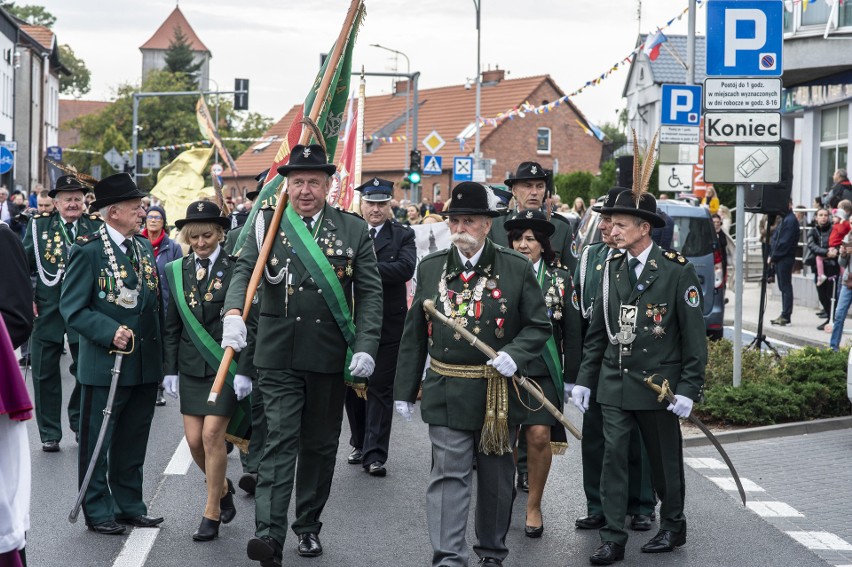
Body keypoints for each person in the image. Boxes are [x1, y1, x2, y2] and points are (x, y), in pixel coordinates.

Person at [222, 144, 382, 566]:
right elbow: (243, 270)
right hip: (277, 355)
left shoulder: (352, 230)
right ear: (286, 185)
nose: (305, 189)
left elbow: (369, 294)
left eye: (313, 182)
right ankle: (268, 534)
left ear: (328, 186)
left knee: (319, 445)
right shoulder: (267, 223)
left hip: (328, 355)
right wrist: (234, 312)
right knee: (278, 441)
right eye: (298, 182)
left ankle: (308, 526)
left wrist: (365, 345)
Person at [394, 181, 551, 567]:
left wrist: (515, 354)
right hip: (447, 387)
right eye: (456, 220)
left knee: (497, 480)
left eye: (470, 220)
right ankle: (448, 557)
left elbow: (538, 325)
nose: (461, 227)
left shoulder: (514, 268)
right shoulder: (431, 268)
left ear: (486, 224)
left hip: (496, 394)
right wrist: (403, 388)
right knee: (448, 475)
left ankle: (492, 552)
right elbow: (414, 334)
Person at [572, 185, 706, 565]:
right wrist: (585, 378)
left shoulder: (676, 272)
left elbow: (695, 341)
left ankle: (673, 525)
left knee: (664, 461)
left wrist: (689, 389)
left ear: (643, 228)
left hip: (657, 386)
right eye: (611, 224)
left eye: (619, 224)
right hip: (615, 383)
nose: (611, 231)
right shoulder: (610, 268)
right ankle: (613, 537)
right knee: (613, 458)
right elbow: (598, 332)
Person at [60, 172, 165, 535]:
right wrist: (109, 331)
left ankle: (128, 505)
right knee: (97, 440)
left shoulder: (143, 247)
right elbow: (72, 308)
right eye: (136, 207)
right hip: (107, 364)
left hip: (143, 364)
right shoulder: (88, 249)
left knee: (133, 440)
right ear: (114, 211)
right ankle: (97, 509)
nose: (143, 212)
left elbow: (155, 305)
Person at [162, 201, 253, 541]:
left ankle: (211, 509)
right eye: (194, 236)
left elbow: (248, 321)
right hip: (190, 366)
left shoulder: (236, 268)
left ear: (220, 234)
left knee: (213, 436)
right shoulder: (175, 269)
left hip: (224, 365)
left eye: (207, 235)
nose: (201, 242)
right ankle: (224, 489)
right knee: (193, 441)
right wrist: (169, 369)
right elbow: (171, 326)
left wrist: (244, 369)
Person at [574, 188, 657, 534]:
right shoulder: (591, 256)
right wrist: (576, 372)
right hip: (599, 360)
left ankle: (640, 504)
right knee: (594, 436)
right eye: (604, 219)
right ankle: (598, 504)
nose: (607, 226)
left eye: (613, 219)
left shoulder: (643, 260)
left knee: (636, 437)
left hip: (635, 362)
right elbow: (578, 316)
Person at [505, 209, 581, 538]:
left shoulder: (561, 280)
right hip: (505, 369)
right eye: (518, 238)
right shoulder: (497, 276)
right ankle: (501, 495)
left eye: (531, 239)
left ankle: (533, 505)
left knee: (538, 436)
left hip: (544, 370)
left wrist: (574, 377)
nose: (523, 244)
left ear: (543, 245)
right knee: (502, 440)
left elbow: (574, 333)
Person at [22, 175, 103, 452]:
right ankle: (49, 432)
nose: (73, 203)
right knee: (44, 370)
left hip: (84, 307)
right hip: (47, 306)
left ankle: (80, 422)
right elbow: (23, 264)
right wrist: (27, 298)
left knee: (86, 366)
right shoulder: (39, 226)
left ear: (84, 201)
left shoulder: (95, 227)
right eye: (67, 198)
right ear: (55, 203)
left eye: (77, 198)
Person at [344, 177, 416, 476]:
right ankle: (360, 442)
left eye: (381, 204)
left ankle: (375, 455)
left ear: (390, 206)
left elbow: (404, 268)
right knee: (352, 389)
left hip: (388, 323)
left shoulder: (403, 235)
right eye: (371, 203)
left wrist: (362, 267)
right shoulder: (350, 233)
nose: (375, 209)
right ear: (362, 205)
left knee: (380, 389)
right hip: (352, 321)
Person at [489, 162, 579, 274]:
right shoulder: (496, 223)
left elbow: (572, 274)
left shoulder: (561, 226)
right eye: (528, 186)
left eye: (540, 186)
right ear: (514, 191)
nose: (534, 192)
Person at [140, 204, 182, 406]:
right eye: (150, 217)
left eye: (158, 217)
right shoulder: (137, 242)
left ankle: (159, 387)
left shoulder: (172, 247)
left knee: (163, 346)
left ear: (164, 222)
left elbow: (179, 277)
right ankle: (145, 384)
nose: (154, 220)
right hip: (143, 305)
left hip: (165, 304)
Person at [806, 209, 839, 331]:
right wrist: (825, 252)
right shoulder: (812, 231)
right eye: (821, 215)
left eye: (826, 215)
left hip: (832, 266)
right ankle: (830, 317)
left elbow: (838, 242)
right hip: (818, 267)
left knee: (832, 295)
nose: (823, 217)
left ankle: (832, 320)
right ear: (816, 217)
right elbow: (812, 246)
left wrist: (834, 251)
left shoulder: (834, 228)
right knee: (822, 295)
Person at [769, 201, 800, 326]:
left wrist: (773, 256)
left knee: (785, 287)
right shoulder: (786, 219)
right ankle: (784, 314)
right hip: (781, 257)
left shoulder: (790, 220)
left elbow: (783, 242)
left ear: (789, 204)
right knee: (783, 287)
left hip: (784, 258)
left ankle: (786, 315)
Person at [830, 231, 852, 350]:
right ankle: (833, 348)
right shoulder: (848, 237)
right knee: (839, 314)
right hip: (848, 281)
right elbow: (842, 264)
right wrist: (843, 254)